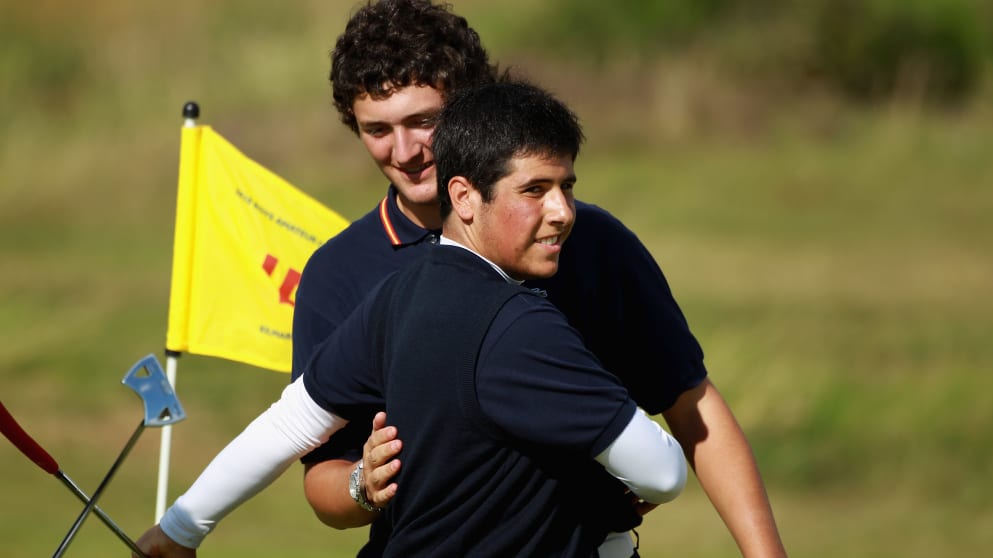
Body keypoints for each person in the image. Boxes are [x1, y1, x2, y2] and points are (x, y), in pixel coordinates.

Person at [293, 1, 787, 557]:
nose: (404, 152)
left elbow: (692, 405)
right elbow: (319, 481)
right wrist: (363, 483)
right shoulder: (337, 273)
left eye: (423, 122)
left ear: (474, 112)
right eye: (376, 129)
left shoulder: (592, 242)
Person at [135, 78, 689, 557]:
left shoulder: (396, 295)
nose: (563, 212)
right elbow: (663, 472)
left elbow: (288, 424)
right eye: (535, 190)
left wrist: (181, 528)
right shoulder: (525, 327)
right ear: (465, 197)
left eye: (567, 186)